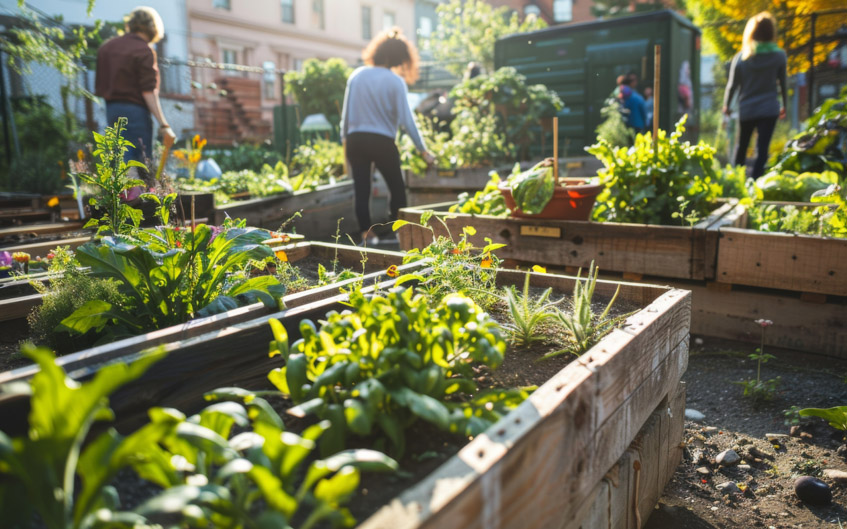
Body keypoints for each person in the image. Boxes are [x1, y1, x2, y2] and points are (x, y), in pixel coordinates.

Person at [340, 27, 434, 245]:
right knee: (397, 188)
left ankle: (366, 235)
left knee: (361, 189)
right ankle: (396, 233)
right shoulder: (395, 81)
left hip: (355, 140)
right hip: (382, 141)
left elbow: (345, 118)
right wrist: (423, 151)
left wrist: (344, 145)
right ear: (399, 58)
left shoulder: (357, 75)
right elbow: (407, 121)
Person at [96, 6, 176, 164]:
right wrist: (164, 124)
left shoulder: (106, 48)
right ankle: (139, 189)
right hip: (135, 113)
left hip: (112, 109)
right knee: (138, 161)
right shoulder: (143, 50)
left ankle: (119, 189)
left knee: (118, 158)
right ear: (152, 27)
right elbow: (148, 92)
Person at [722, 11, 787, 179]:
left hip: (747, 109)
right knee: (762, 149)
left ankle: (738, 182)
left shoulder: (742, 58)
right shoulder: (779, 56)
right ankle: (756, 183)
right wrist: (784, 104)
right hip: (769, 109)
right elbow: (783, 84)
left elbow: (732, 85)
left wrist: (727, 106)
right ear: (771, 32)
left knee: (742, 147)